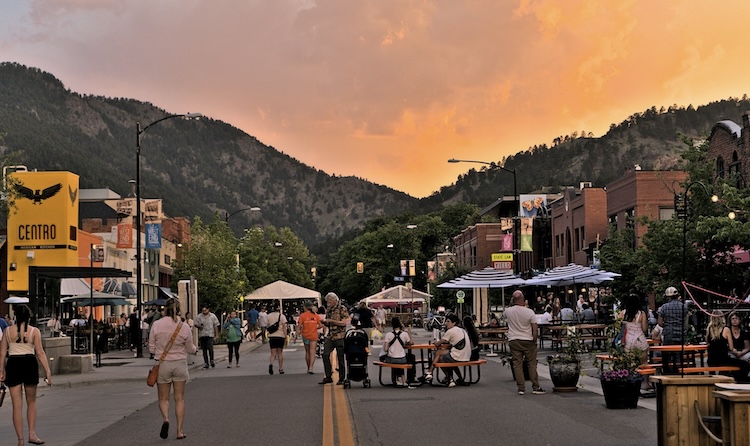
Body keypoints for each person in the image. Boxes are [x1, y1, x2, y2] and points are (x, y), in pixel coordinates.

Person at [0, 304, 52, 446]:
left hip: (13, 363)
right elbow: (40, 352)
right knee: (32, 402)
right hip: (29, 362)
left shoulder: (7, 331)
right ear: (29, 317)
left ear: (15, 316)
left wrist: (1, 371)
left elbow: (2, 353)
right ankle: (32, 434)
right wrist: (48, 371)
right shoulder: (34, 331)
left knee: (17, 405)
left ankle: (20, 440)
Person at [148, 297, 196, 440]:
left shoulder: (156, 325)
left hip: (163, 364)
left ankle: (166, 419)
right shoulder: (184, 326)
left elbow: (151, 348)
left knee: (163, 397)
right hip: (180, 363)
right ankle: (180, 431)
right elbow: (190, 348)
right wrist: (195, 350)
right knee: (179, 398)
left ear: (165, 309)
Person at [505, 290, 545, 395]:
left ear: (513, 300)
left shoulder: (508, 311)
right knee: (531, 364)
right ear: (523, 299)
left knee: (517, 364)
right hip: (527, 339)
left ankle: (521, 388)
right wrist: (534, 340)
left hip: (514, 339)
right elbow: (535, 328)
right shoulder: (529, 312)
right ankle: (535, 387)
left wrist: (511, 302)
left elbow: (505, 314)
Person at [423, 314, 470, 387]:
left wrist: (436, 342)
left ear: (453, 323)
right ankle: (458, 378)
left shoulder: (450, 331)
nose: (446, 323)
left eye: (448, 321)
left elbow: (438, 343)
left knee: (439, 355)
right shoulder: (461, 330)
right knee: (447, 359)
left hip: (458, 355)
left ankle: (431, 373)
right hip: (466, 355)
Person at [705, 311, 750, 383]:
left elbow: (707, 343)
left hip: (711, 360)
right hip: (723, 360)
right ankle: (739, 380)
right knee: (745, 365)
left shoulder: (709, 329)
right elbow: (731, 348)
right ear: (722, 318)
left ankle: (737, 378)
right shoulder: (726, 329)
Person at [319, 292, 350, 385]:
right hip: (330, 335)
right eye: (328, 301)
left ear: (335, 300)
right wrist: (325, 322)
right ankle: (328, 376)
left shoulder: (342, 309)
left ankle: (341, 377)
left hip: (340, 335)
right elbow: (328, 322)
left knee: (340, 357)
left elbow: (344, 323)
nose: (329, 303)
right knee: (325, 354)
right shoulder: (329, 309)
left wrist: (331, 321)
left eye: (330, 301)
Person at [657, 286, 688, 374]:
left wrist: (667, 324)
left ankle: (667, 372)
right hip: (680, 334)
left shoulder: (664, 307)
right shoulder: (683, 306)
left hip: (668, 334)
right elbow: (686, 322)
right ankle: (678, 371)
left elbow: (660, 323)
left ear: (668, 296)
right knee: (678, 355)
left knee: (666, 355)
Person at [380, 317, 412, 386]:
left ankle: (397, 380)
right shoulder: (404, 334)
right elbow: (411, 343)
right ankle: (403, 380)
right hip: (402, 359)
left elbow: (385, 349)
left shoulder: (388, 335)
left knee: (394, 360)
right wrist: (409, 333)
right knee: (400, 361)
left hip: (391, 358)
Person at [618, 294, 649, 366]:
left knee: (629, 364)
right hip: (640, 339)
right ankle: (644, 377)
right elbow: (644, 329)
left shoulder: (623, 313)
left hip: (628, 340)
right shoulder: (641, 314)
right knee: (644, 363)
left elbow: (618, 327)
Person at [297, 301, 323, 374]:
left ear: (305, 307)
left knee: (307, 352)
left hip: (305, 335)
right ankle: (311, 367)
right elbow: (321, 325)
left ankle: (308, 367)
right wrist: (315, 328)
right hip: (313, 335)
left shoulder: (302, 316)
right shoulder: (315, 315)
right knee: (312, 351)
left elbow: (299, 326)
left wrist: (296, 335)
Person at [267, 304, 287, 375]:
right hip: (280, 336)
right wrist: (286, 336)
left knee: (273, 353)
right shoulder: (282, 316)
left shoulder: (268, 316)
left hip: (272, 336)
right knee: (280, 353)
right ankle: (280, 368)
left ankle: (271, 364)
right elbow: (284, 327)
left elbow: (267, 325)